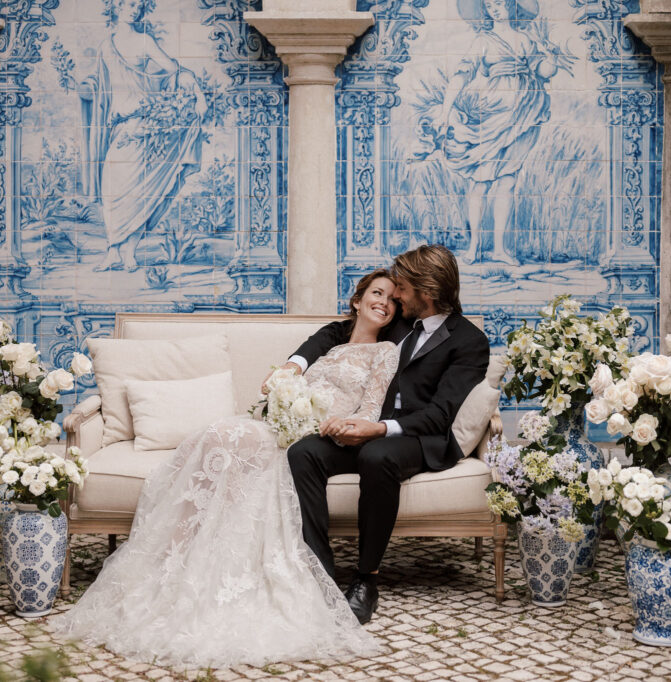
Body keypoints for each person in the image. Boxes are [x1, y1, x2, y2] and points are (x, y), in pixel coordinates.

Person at [53, 270, 400, 666]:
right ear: (357, 301)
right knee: (217, 435)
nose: (384, 303)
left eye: (392, 299)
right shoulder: (331, 342)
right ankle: (169, 563)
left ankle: (191, 565)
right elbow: (298, 364)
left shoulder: (387, 351)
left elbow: (370, 411)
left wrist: (334, 424)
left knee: (228, 438)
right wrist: (284, 387)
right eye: (377, 293)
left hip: (312, 435)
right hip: (281, 424)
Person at [283, 245, 490, 625]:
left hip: (421, 439)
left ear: (426, 291)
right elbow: (339, 330)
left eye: (403, 289)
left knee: (376, 456)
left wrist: (377, 429)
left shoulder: (469, 342)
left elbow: (441, 414)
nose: (395, 295)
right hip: (371, 429)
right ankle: (321, 573)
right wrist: (294, 365)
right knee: (304, 452)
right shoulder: (402, 323)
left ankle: (366, 580)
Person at [417, 0, 572, 265]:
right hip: (491, 117)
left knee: (508, 180)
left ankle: (499, 249)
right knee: (480, 180)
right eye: (490, 5)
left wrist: (552, 57)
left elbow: (543, 72)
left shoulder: (526, 40)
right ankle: (474, 246)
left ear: (512, 6)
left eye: (500, 3)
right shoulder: (483, 41)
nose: (495, 8)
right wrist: (446, 110)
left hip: (525, 114)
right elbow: (461, 76)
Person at [80, 0, 207, 272]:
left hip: (143, 125)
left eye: (139, 5)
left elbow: (175, 70)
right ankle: (113, 251)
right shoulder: (106, 47)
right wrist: (87, 87)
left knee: (138, 192)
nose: (134, 9)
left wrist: (196, 92)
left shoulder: (145, 41)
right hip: (119, 127)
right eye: (129, 4)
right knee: (112, 190)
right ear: (117, 6)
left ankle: (129, 254)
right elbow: (102, 86)